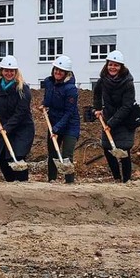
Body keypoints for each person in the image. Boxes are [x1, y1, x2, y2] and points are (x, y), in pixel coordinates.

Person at [0, 55, 34, 182]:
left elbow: (21, 112)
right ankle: (10, 184)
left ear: (16, 72)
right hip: (2, 127)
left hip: (21, 129)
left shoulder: (22, 89)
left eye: (11, 71)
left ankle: (22, 185)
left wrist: (7, 128)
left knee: (17, 157)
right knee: (2, 158)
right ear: (2, 71)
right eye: (6, 70)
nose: (9, 73)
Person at [93, 50, 136, 183]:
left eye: (116, 65)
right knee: (108, 149)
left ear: (121, 67)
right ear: (107, 65)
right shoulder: (103, 80)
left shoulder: (128, 83)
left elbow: (127, 106)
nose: (113, 67)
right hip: (108, 118)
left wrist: (111, 123)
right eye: (111, 64)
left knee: (123, 151)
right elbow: (97, 92)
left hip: (124, 120)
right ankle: (117, 178)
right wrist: (98, 108)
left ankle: (127, 181)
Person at [41, 55, 80, 183]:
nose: (57, 72)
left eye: (61, 70)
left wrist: (57, 129)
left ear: (66, 73)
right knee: (52, 154)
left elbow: (69, 113)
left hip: (69, 125)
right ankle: (52, 180)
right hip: (53, 122)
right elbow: (48, 100)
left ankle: (69, 182)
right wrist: (44, 105)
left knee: (67, 155)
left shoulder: (71, 89)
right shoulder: (49, 83)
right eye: (56, 69)